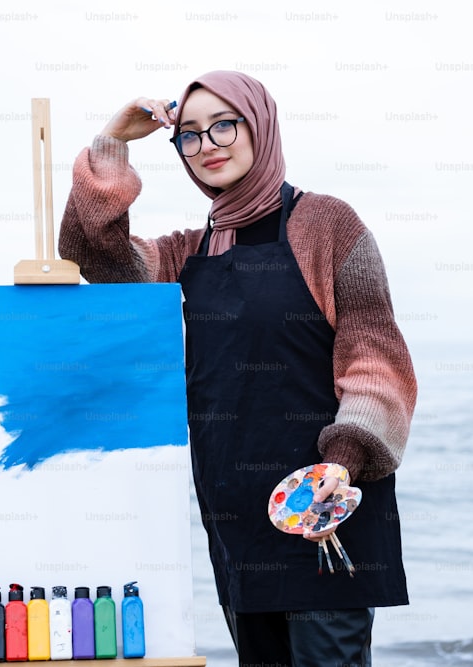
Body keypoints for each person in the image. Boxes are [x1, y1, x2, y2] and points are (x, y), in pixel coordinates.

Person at [59, 70, 417, 667]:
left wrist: (344, 457)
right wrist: (111, 143)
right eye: (191, 135)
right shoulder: (187, 252)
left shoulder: (330, 225)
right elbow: (92, 253)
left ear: (260, 125)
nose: (208, 145)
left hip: (326, 503)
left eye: (224, 124)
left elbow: (374, 357)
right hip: (236, 513)